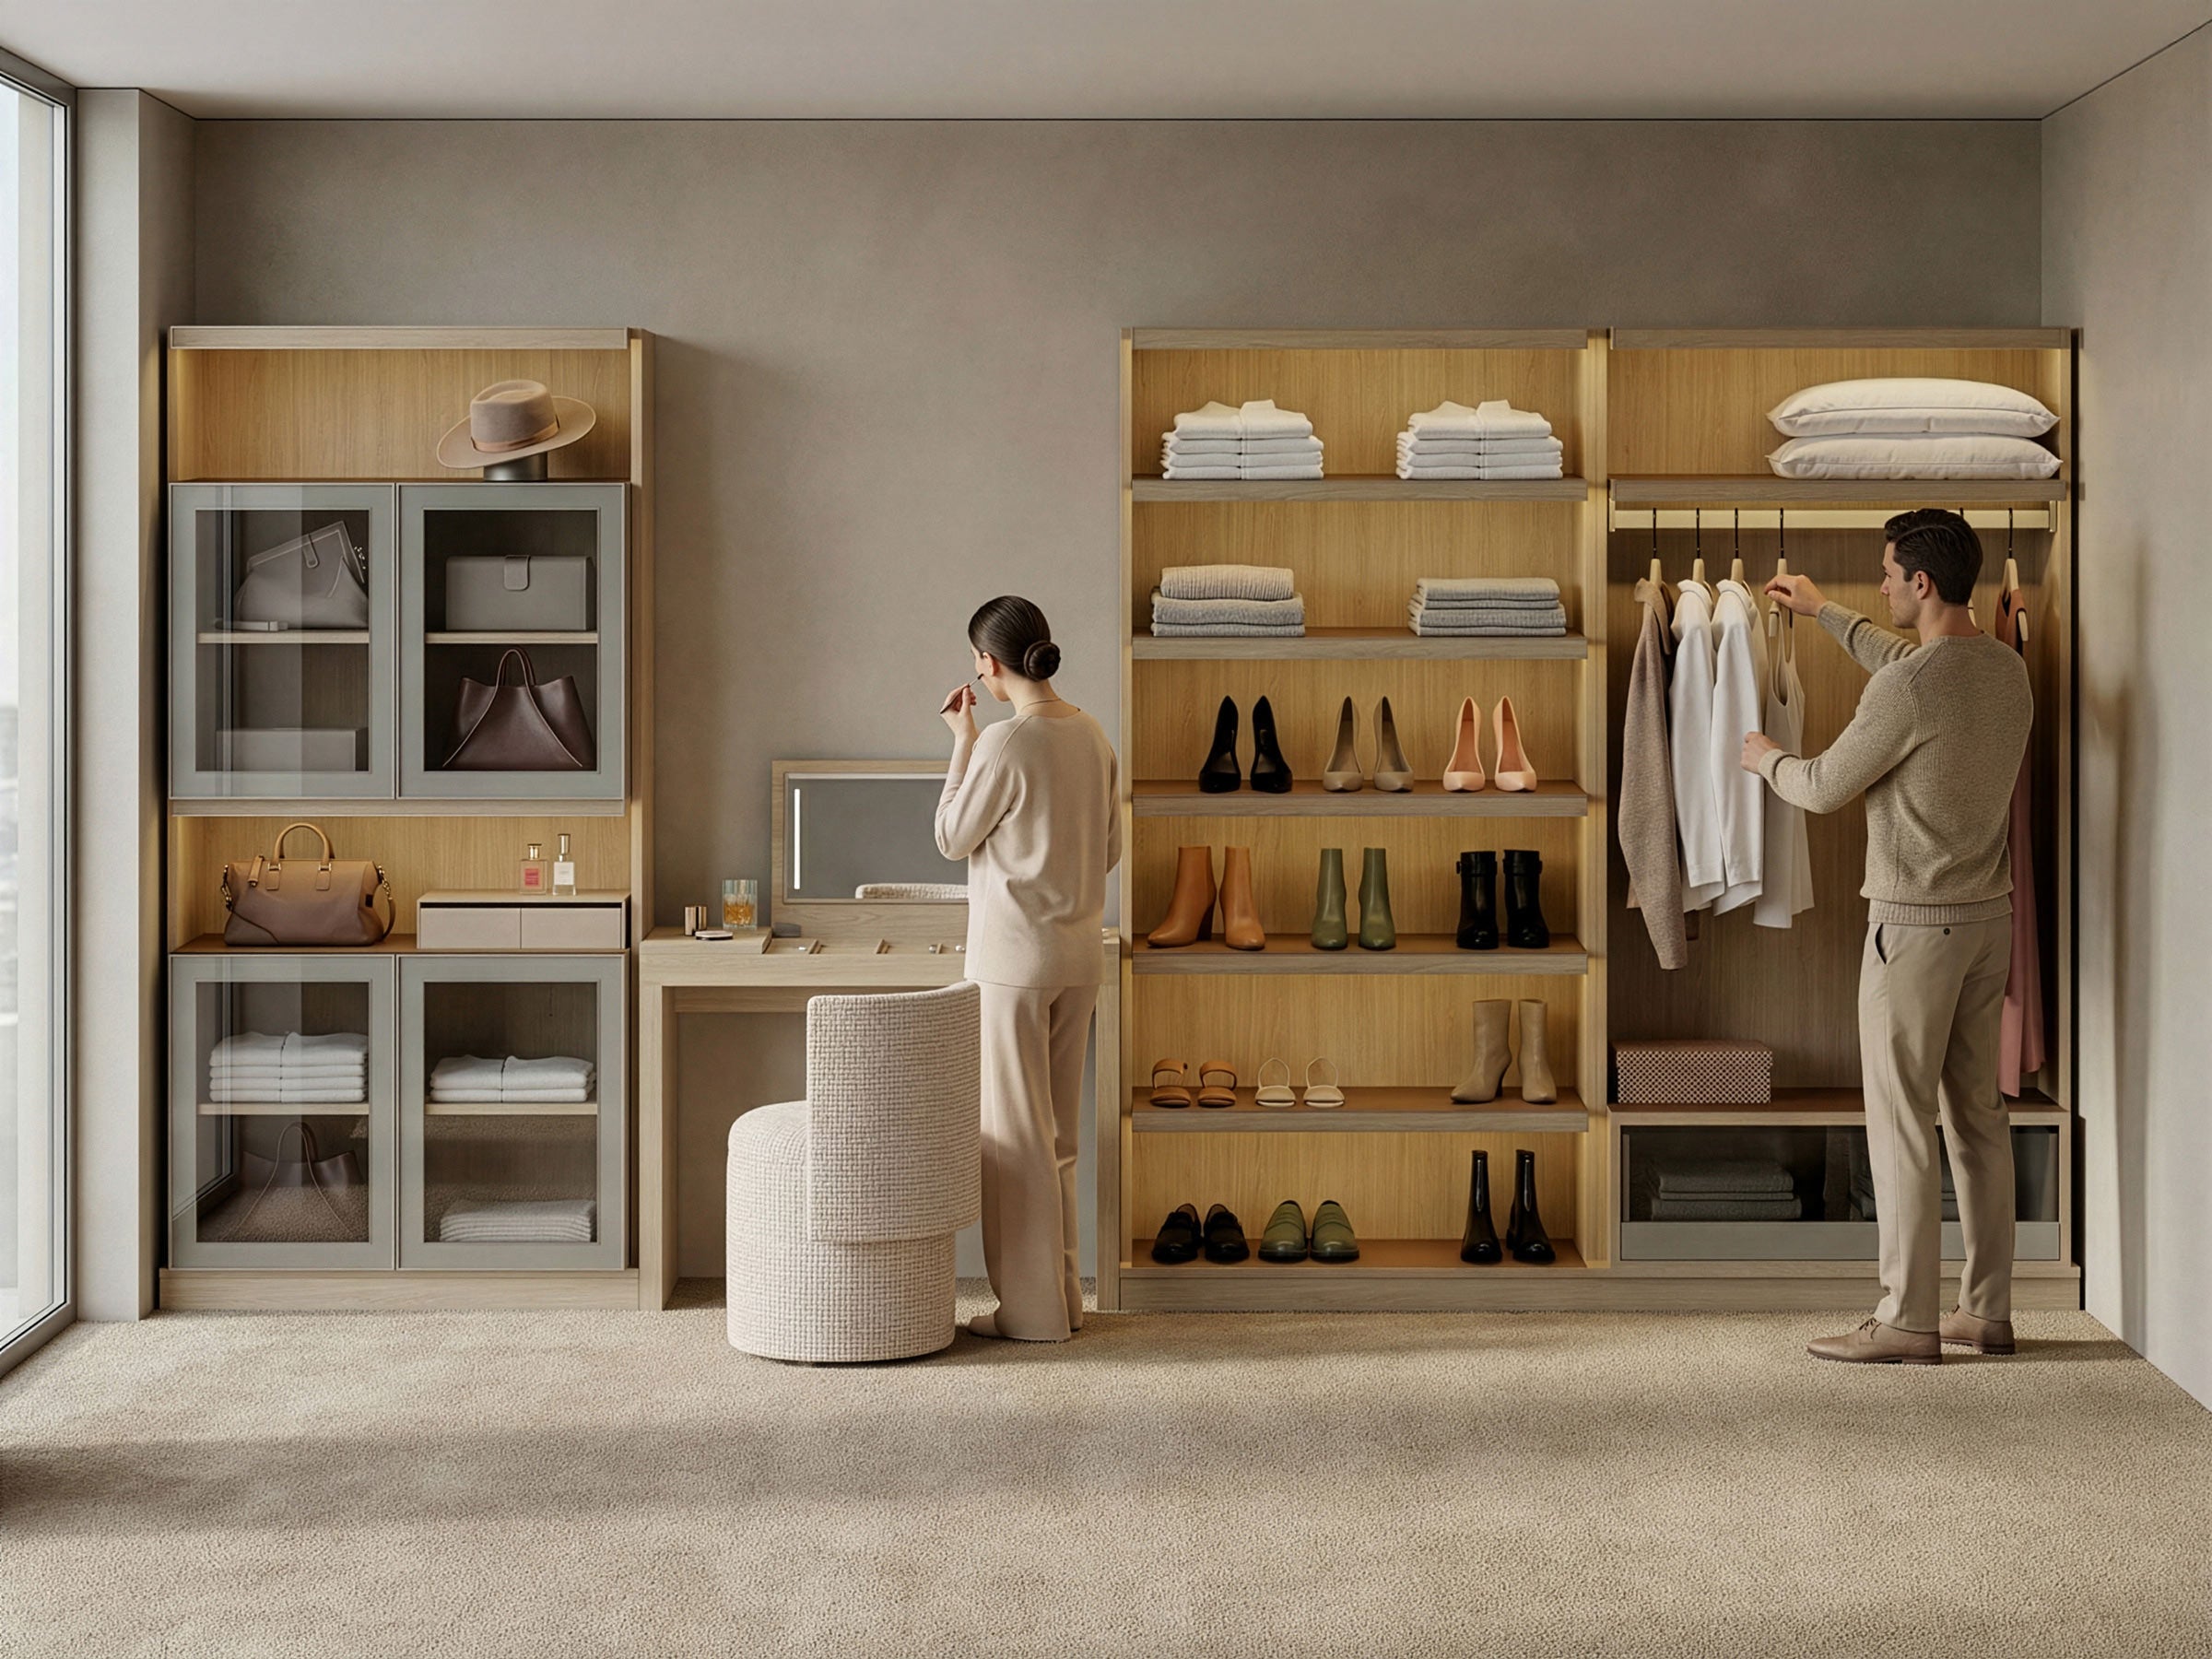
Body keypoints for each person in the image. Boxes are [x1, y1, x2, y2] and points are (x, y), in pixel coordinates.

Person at [1743, 509, 2030, 1366]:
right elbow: (1907, 663)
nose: (1880, 587)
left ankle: (1905, 1320)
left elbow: (1827, 784)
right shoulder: (2004, 670)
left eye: (1886, 576)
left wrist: (1764, 760)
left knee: (1902, 1119)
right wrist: (1827, 612)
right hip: (1988, 921)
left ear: (1921, 584)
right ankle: (1986, 1312)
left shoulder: (1909, 688)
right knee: (1978, 1117)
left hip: (1913, 929)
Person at [935, 596, 1120, 1341]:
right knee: (1057, 1139)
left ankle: (1031, 1313)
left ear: (988, 663)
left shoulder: (1006, 744)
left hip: (1013, 965)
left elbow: (952, 837)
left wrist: (962, 739)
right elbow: (1108, 850)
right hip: (1078, 957)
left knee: (1014, 1139)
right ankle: (1064, 1302)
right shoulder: (1092, 734)